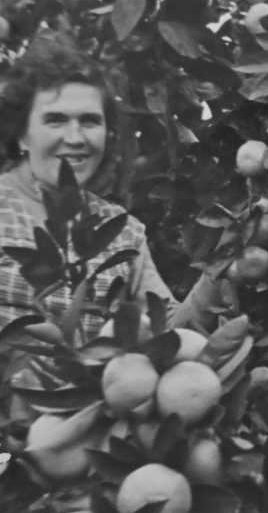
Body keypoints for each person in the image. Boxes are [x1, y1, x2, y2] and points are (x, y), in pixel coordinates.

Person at [0, 34, 231, 350]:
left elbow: (168, 331)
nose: (75, 138)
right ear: (22, 135)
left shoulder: (119, 229)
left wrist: (225, 267)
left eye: (90, 121)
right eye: (55, 120)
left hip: (95, 382)